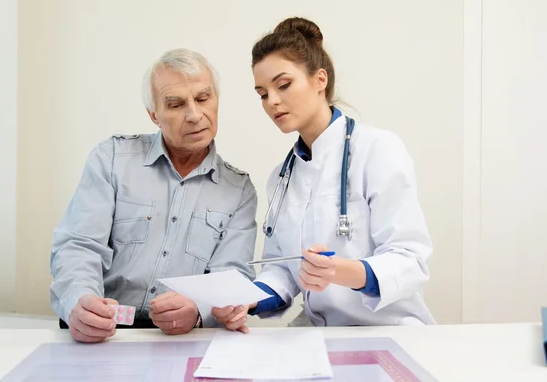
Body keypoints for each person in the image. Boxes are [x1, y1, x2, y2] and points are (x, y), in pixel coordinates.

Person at [212, 17, 435, 332]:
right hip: (320, 333)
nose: (272, 101)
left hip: (387, 329)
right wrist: (247, 299)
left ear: (320, 80)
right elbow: (283, 272)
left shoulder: (377, 149)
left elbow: (410, 261)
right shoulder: (282, 176)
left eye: (283, 84)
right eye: (262, 93)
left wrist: (343, 272)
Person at [50, 48, 258, 343]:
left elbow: (230, 275)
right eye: (175, 104)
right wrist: (78, 301)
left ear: (216, 100)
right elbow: (79, 246)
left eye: (203, 98)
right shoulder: (112, 158)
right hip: (103, 335)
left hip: (179, 339)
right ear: (154, 115)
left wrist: (199, 309)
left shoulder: (239, 190)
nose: (194, 115)